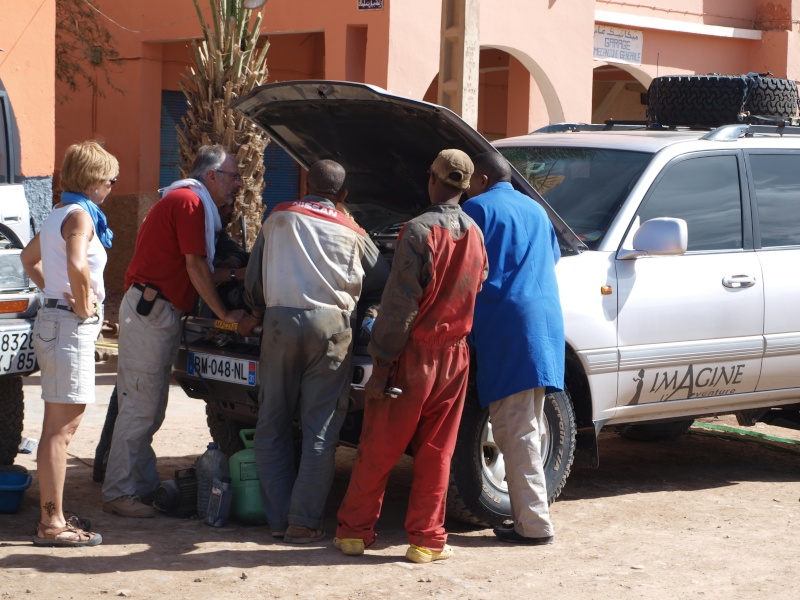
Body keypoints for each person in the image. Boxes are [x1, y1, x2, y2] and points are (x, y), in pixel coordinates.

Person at [334, 149, 488, 564]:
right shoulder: (475, 232)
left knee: (381, 444)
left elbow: (399, 306)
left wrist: (382, 362)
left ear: (433, 180)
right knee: (438, 450)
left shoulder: (418, 231)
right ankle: (427, 541)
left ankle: (354, 532)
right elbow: (479, 283)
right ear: (466, 186)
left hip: (413, 355)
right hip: (455, 355)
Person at [237, 159, 388, 544]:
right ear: (343, 196)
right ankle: (303, 522)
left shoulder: (278, 217)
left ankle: (276, 520)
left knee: (271, 422)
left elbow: (254, 281)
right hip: (331, 329)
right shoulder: (353, 229)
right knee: (320, 428)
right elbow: (381, 279)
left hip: (278, 324)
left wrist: (255, 311)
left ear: (306, 184)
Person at [102, 144, 247, 518]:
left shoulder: (187, 201)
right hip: (154, 310)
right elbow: (196, 267)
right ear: (212, 175)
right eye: (232, 176)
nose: (237, 184)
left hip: (158, 310)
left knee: (148, 407)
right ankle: (120, 493)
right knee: (139, 407)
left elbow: (192, 268)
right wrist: (225, 313)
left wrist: (233, 273)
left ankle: (141, 486)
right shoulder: (190, 203)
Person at [461, 151, 565, 545]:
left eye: (472, 180)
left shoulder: (476, 208)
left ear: (483, 179)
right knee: (525, 428)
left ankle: (535, 526)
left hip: (507, 326)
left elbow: (464, 267)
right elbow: (549, 259)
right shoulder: (536, 210)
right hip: (544, 325)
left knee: (516, 431)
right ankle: (528, 519)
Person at [21, 140, 119, 546]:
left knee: (56, 429)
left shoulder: (59, 211)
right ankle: (52, 524)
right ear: (95, 180)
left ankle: (52, 516)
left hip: (55, 321)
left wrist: (57, 294)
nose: (113, 186)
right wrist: (80, 305)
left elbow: (30, 260)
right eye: (111, 179)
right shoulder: (80, 216)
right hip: (67, 326)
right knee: (61, 431)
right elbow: (78, 263)